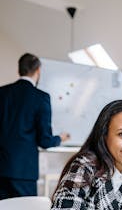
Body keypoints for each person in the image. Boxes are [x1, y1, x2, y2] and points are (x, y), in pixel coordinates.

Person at [0, 53, 70, 200]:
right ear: (38, 70)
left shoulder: (2, 93)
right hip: (24, 172)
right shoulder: (40, 97)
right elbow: (44, 141)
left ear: (20, 70)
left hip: (1, 168)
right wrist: (60, 138)